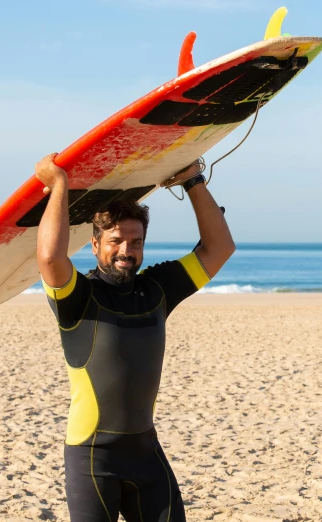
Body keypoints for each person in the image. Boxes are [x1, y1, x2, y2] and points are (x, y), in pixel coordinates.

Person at [34, 153, 235, 522]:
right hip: (93, 457)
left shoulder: (157, 289)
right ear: (94, 245)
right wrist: (59, 185)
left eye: (136, 242)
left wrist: (193, 181)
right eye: (116, 241)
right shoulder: (77, 298)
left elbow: (219, 248)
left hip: (146, 452)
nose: (127, 251)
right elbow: (49, 258)